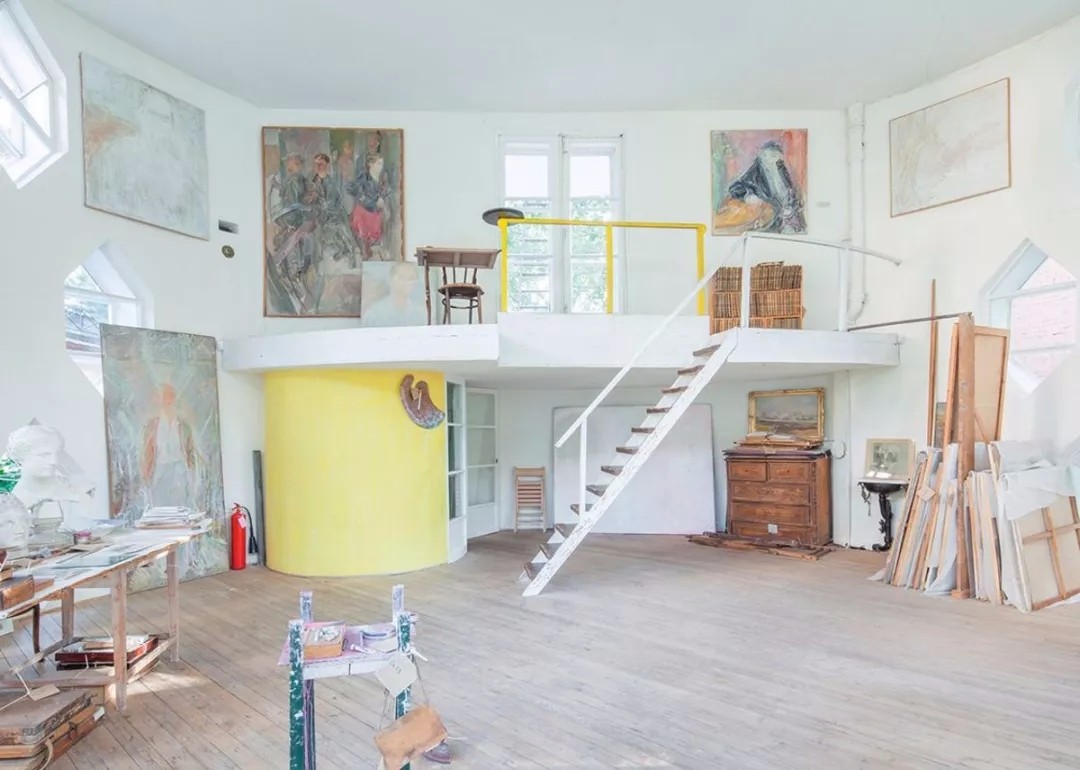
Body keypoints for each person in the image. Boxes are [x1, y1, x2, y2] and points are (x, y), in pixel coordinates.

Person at [141, 383, 197, 510]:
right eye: (159, 396)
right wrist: (146, 475)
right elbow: (147, 454)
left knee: (181, 508)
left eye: (165, 396)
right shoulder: (151, 426)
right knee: (160, 509)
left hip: (180, 473)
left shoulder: (183, 426)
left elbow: (190, 454)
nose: (161, 400)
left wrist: (191, 476)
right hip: (160, 473)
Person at [361, 262, 425, 327]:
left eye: (411, 278)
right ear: (390, 280)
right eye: (401, 277)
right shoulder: (374, 314)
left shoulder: (420, 314)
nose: (406, 282)